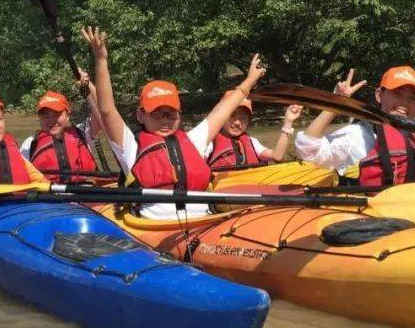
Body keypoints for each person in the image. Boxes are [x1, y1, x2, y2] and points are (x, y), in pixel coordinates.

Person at [81, 26, 266, 220]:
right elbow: (107, 110)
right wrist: (101, 60)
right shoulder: (130, 147)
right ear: (140, 116)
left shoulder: (193, 140)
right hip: (155, 230)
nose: (166, 120)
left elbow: (225, 108)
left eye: (171, 114)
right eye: (157, 114)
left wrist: (250, 80)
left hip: (204, 223)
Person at [295, 66, 415, 186]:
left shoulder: (414, 142)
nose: (404, 102)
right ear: (379, 95)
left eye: (413, 99)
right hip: (367, 223)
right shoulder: (357, 135)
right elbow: (307, 151)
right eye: (397, 93)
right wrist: (336, 102)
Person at [19, 71, 107, 184]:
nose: (51, 120)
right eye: (45, 115)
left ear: (68, 116)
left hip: (85, 194)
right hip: (50, 198)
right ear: (39, 118)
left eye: (57, 114)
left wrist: (88, 85)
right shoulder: (30, 144)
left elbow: (103, 113)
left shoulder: (83, 133)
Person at [205, 98, 302, 170]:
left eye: (243, 118)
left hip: (251, 189)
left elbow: (277, 156)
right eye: (232, 116)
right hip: (223, 194)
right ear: (222, 116)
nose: (238, 122)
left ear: (248, 122)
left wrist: (288, 122)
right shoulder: (209, 142)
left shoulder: (252, 142)